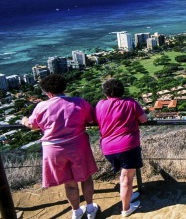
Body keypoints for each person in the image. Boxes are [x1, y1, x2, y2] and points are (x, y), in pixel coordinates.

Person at [21, 74, 99, 219]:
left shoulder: (41, 106)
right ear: (65, 87)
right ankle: (90, 209)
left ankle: (76, 212)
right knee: (86, 178)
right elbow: (91, 118)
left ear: (47, 92)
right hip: (77, 144)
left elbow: (32, 125)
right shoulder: (79, 102)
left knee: (69, 183)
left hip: (53, 149)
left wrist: (24, 120)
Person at [95, 79, 147, 217]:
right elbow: (144, 119)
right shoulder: (130, 103)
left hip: (107, 148)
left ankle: (128, 196)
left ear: (106, 93)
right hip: (127, 146)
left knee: (124, 177)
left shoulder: (100, 105)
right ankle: (126, 208)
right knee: (126, 179)